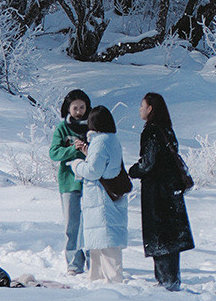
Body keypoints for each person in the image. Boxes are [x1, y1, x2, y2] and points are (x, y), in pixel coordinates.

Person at [130, 90, 194, 288]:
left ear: (150, 108)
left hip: (157, 191)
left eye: (142, 105)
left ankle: (166, 280)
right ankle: (171, 278)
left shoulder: (151, 130)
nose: (140, 109)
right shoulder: (166, 128)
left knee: (161, 237)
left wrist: (133, 171)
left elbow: (147, 163)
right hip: (171, 189)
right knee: (171, 237)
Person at [70, 104, 129, 282]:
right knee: (98, 242)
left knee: (105, 241)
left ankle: (111, 280)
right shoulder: (109, 140)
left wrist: (76, 165)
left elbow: (94, 171)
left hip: (101, 198)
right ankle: (96, 277)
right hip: (100, 198)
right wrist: (88, 152)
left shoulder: (101, 141)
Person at [48, 88, 92, 276]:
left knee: (90, 224)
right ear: (68, 108)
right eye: (75, 108)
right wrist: (74, 150)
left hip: (91, 182)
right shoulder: (62, 128)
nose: (79, 111)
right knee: (72, 225)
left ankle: (93, 261)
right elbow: (54, 153)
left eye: (82, 107)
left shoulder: (92, 125)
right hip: (69, 182)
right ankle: (74, 263)